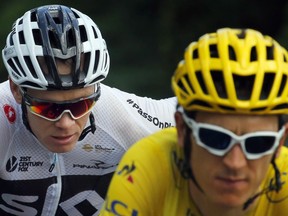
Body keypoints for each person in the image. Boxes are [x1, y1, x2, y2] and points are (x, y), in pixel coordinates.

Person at [0, 4, 176, 216]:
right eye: (46, 107)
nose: (65, 123)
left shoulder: (119, 115)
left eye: (81, 105)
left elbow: (206, 114)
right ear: (16, 90)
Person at [100, 28, 288, 216]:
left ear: (280, 143)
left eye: (258, 143)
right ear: (182, 130)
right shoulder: (150, 166)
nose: (235, 163)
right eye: (215, 138)